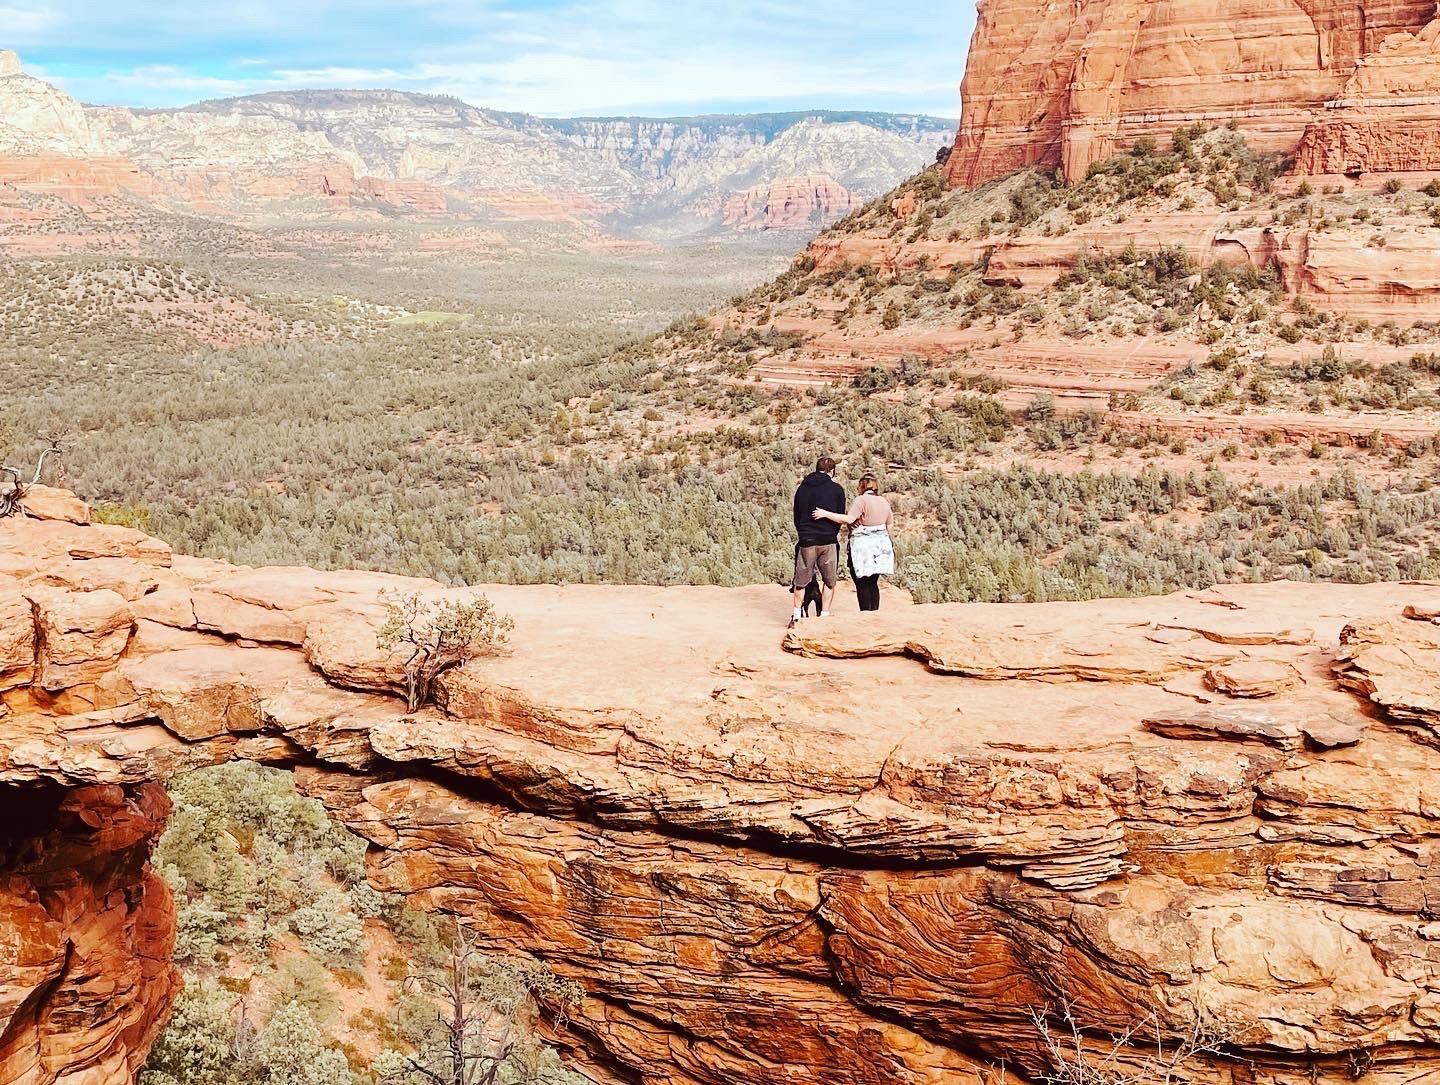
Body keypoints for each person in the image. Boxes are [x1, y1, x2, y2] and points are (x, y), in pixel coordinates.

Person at [812, 474, 894, 611]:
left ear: (862, 486)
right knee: (873, 582)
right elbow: (890, 525)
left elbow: (849, 519)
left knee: (861, 582)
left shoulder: (861, 501)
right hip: (880, 548)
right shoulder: (884, 502)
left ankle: (865, 614)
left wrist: (825, 514)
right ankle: (875, 614)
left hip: (862, 548)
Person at [790, 456, 846, 625]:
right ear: (832, 471)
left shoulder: (802, 489)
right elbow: (839, 515)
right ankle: (825, 616)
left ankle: (796, 615)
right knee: (829, 581)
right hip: (827, 539)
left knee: (800, 581)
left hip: (806, 539)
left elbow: (796, 515)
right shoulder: (836, 489)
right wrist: (831, 533)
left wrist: (803, 533)